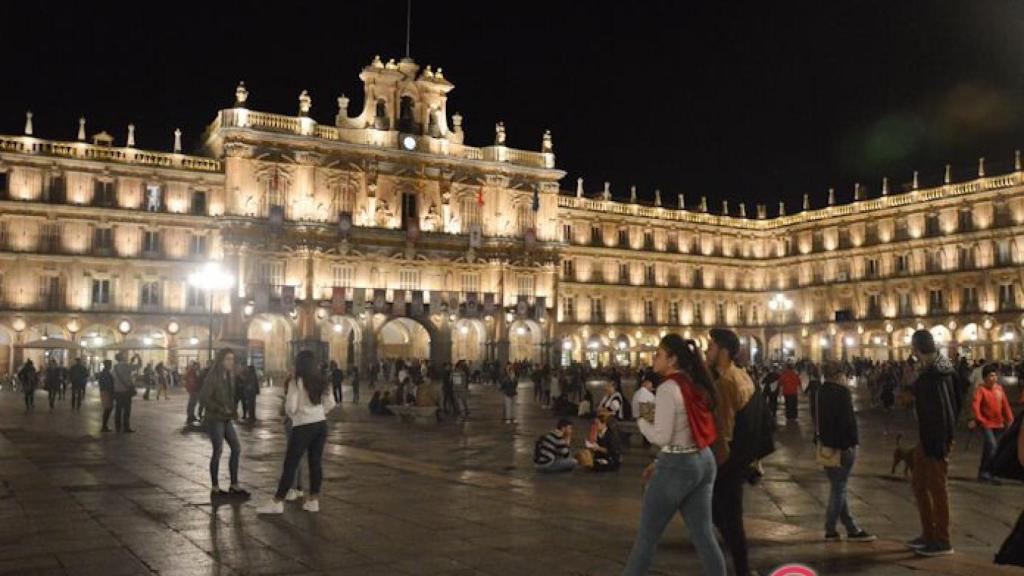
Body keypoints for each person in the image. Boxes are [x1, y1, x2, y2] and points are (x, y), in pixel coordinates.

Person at [622, 334, 726, 575]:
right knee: (703, 535)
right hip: (703, 459)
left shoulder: (668, 387)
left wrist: (640, 419)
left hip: (678, 465)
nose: (653, 358)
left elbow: (661, 436)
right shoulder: (691, 382)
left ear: (672, 359)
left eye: (658, 354)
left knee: (646, 538)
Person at [258, 350, 335, 514]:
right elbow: (331, 403)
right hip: (321, 424)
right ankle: (314, 500)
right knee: (315, 463)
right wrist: (319, 413)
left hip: (303, 426)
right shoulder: (322, 380)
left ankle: (277, 501)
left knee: (291, 464)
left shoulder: (297, 381)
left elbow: (291, 407)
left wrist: (296, 416)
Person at [706, 328, 756, 575]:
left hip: (728, 459)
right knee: (727, 516)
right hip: (743, 454)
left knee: (724, 516)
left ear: (723, 352)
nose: (707, 350)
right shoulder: (742, 375)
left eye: (711, 347)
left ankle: (742, 569)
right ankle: (741, 566)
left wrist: (716, 466)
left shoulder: (725, 383)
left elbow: (724, 429)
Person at [906, 330, 960, 557]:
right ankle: (928, 533)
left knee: (937, 489)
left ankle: (942, 540)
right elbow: (956, 401)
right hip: (928, 437)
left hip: (935, 439)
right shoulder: (941, 370)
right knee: (918, 484)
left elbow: (941, 410)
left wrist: (942, 442)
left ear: (916, 349)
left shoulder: (932, 376)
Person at [810, 361, 876, 543]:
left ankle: (851, 528)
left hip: (825, 447)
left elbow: (815, 418)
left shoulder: (818, 392)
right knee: (839, 488)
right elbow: (848, 421)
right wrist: (851, 443)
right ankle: (830, 529)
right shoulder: (842, 392)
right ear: (839, 374)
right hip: (843, 447)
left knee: (838, 487)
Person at [199, 348, 250, 499]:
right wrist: (220, 408)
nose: (230, 362)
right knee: (218, 450)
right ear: (221, 361)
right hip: (215, 418)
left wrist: (233, 411)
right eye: (227, 359)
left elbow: (230, 397)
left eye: (232, 359)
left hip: (226, 418)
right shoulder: (213, 377)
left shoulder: (230, 376)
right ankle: (215, 488)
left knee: (236, 448)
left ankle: (234, 485)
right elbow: (203, 398)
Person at [971, 363, 1015, 484]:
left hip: (999, 424)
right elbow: (975, 405)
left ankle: (984, 472)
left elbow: (1005, 405)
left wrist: (1010, 419)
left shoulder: (999, 389)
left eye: (995, 375)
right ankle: (988, 472)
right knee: (992, 447)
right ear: (985, 378)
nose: (993, 378)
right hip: (986, 424)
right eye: (991, 376)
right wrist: (979, 419)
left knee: (990, 449)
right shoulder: (981, 390)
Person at [111, 352, 136, 433]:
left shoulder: (114, 367)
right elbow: (138, 366)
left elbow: (113, 378)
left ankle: (117, 427)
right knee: (127, 410)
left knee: (118, 410)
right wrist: (138, 358)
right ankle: (126, 427)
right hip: (126, 391)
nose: (126, 356)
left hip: (117, 391)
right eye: (124, 356)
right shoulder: (126, 365)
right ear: (122, 357)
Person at [98, 360, 114, 432]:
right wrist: (111, 393)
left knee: (107, 409)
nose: (111, 366)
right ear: (108, 365)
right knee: (108, 409)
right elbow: (108, 384)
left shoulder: (103, 373)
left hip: (104, 391)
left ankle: (104, 425)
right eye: (110, 364)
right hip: (106, 392)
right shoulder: (106, 373)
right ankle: (104, 426)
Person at [184, 361, 201, 426]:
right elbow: (192, 381)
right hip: (193, 390)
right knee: (192, 403)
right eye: (197, 366)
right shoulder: (192, 371)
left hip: (193, 389)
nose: (198, 367)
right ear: (194, 366)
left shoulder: (191, 371)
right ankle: (190, 416)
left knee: (192, 403)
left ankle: (191, 416)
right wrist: (194, 389)